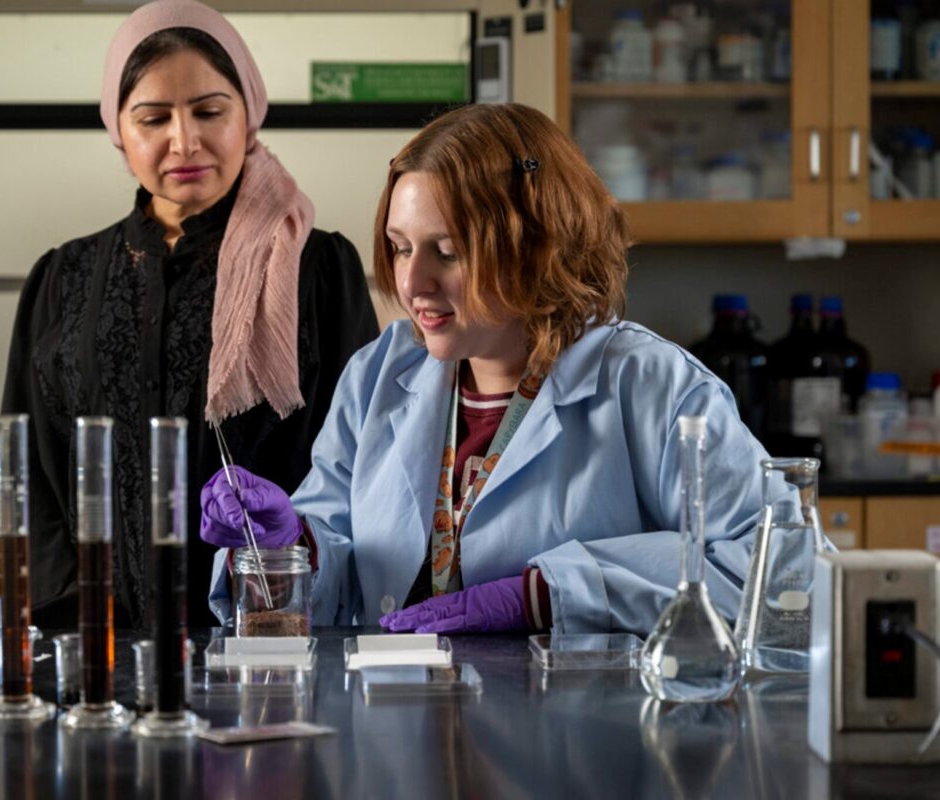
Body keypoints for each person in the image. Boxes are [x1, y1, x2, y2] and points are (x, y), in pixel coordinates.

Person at [199, 102, 769, 635]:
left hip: (580, 710)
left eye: (447, 251)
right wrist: (287, 549)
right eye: (401, 247)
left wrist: (547, 597)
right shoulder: (380, 372)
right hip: (397, 707)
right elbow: (339, 568)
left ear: (537, 246)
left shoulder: (652, 386)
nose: (411, 283)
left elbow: (776, 571)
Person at [2, 0, 379, 629]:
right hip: (98, 641)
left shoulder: (316, 267)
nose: (185, 141)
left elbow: (360, 464)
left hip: (268, 632)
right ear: (119, 129)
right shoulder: (63, 278)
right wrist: (69, 624)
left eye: (209, 111)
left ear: (248, 114)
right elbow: (32, 474)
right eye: (153, 118)